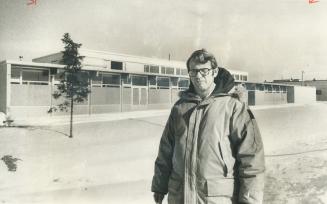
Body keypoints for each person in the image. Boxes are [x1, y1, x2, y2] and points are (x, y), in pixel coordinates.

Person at [151, 49, 265, 204]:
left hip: (217, 198)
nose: (198, 76)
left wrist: (249, 201)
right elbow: (166, 151)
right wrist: (159, 185)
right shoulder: (180, 108)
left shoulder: (233, 108)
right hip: (180, 197)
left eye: (204, 71)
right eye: (193, 71)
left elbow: (252, 160)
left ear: (214, 72)